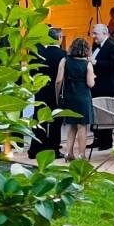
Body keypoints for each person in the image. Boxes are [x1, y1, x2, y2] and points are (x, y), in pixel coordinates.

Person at [29, 27, 66, 158]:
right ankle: (53, 148)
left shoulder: (38, 52)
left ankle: (35, 148)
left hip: (41, 90)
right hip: (55, 91)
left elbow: (31, 71)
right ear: (59, 38)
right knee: (56, 121)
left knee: (39, 119)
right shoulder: (62, 54)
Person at [55, 36, 94, 161]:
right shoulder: (88, 64)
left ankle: (68, 152)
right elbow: (90, 84)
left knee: (71, 125)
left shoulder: (64, 61)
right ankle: (81, 154)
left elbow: (59, 80)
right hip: (83, 96)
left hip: (69, 95)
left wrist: (58, 95)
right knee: (82, 127)